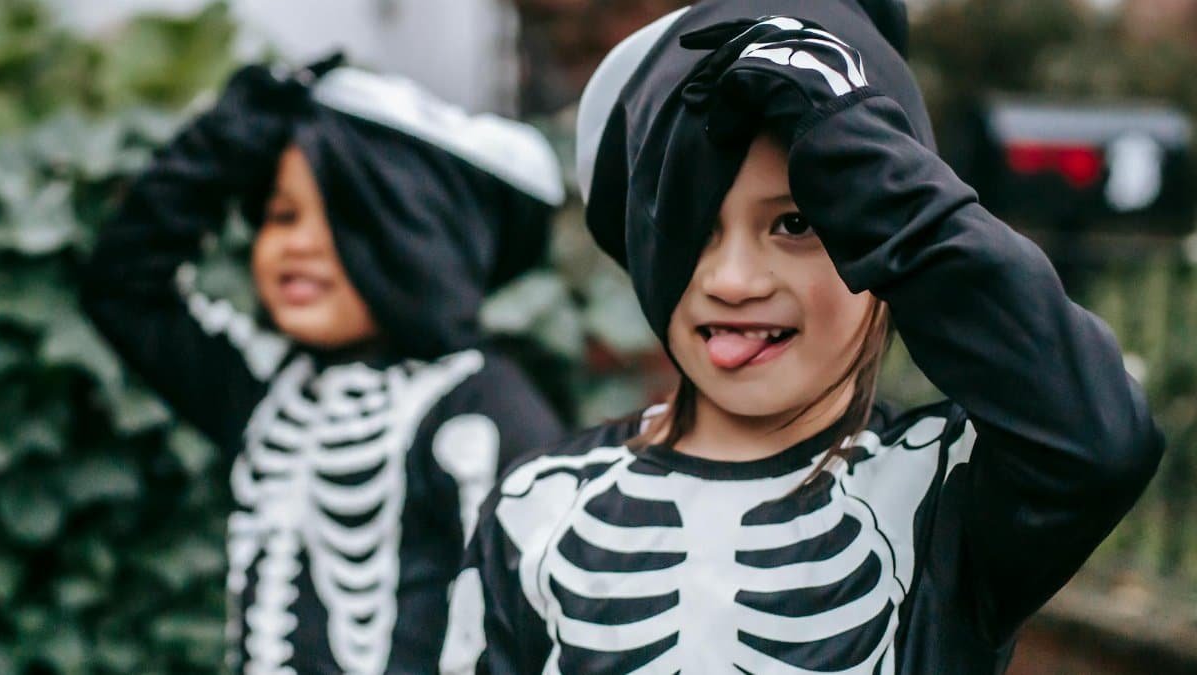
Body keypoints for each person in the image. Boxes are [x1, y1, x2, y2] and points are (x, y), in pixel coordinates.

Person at [440, 1, 1164, 672]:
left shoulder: (946, 492)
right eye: (694, 223)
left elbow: (1100, 440)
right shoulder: (536, 507)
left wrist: (851, 142)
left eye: (797, 222)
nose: (732, 280)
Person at [81, 58, 566, 674]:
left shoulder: (484, 409)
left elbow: (538, 628)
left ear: (417, 238)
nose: (297, 245)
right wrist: (232, 132)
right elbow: (124, 286)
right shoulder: (265, 388)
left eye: (341, 219)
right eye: (280, 216)